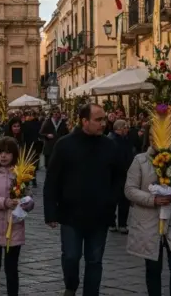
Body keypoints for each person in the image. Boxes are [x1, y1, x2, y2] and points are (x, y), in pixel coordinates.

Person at [44, 104, 122, 296]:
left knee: (94, 260)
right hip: (71, 214)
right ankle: (71, 285)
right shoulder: (64, 145)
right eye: (98, 120)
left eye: (104, 119)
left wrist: (111, 201)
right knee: (71, 256)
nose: (103, 124)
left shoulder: (110, 145)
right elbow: (52, 179)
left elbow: (119, 177)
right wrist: (50, 212)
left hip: (99, 215)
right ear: (84, 121)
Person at [125, 120, 171, 296]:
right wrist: (153, 199)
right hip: (149, 223)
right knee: (153, 269)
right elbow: (130, 189)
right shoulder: (140, 160)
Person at [0, 136, 35, 296]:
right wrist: (4, 202)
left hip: (14, 226)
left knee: (11, 268)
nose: (3, 156)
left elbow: (29, 199)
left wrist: (26, 203)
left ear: (14, 155)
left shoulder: (20, 174)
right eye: (0, 152)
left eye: (8, 153)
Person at [109, 119, 135, 233]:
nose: (127, 130)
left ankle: (122, 223)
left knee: (125, 200)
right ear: (119, 129)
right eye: (125, 128)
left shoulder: (126, 139)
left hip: (126, 173)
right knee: (113, 200)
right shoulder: (112, 140)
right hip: (115, 175)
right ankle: (111, 222)